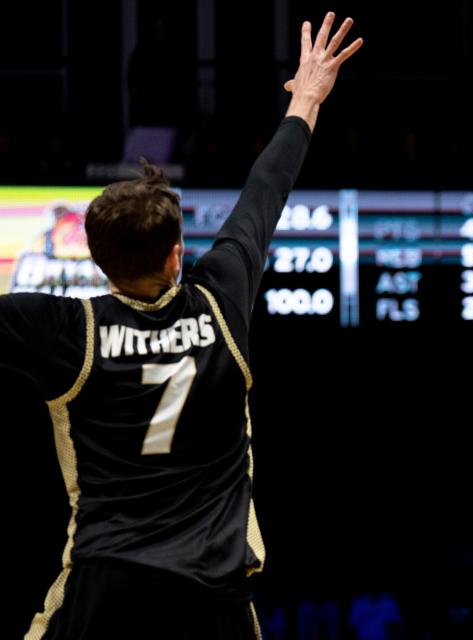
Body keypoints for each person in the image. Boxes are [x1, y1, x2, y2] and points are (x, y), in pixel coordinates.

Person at [2, 12, 362, 640]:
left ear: (95, 261)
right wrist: (306, 97)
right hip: (212, 598)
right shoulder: (219, 299)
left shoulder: (65, 331)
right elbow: (264, 191)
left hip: (105, 591)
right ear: (176, 255)